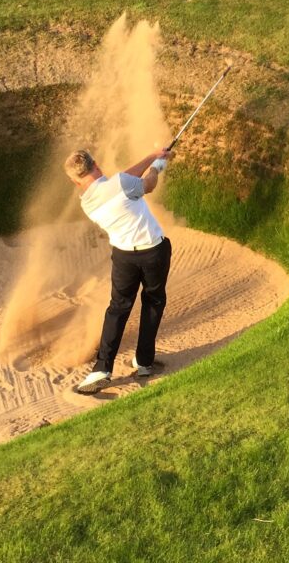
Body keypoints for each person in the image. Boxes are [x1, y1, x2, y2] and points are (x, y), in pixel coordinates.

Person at [64, 147, 173, 394]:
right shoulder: (121, 184)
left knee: (118, 308)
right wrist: (158, 165)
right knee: (153, 301)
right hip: (153, 251)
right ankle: (144, 362)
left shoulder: (87, 202)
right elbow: (147, 185)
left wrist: (150, 155)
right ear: (97, 165)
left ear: (75, 180)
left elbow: (121, 182)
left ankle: (102, 368)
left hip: (124, 258)